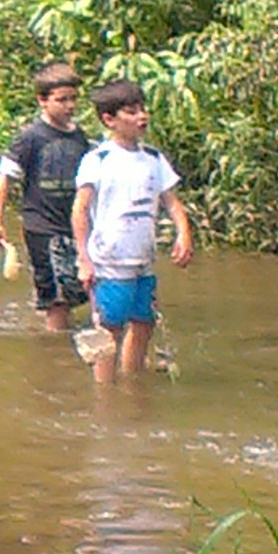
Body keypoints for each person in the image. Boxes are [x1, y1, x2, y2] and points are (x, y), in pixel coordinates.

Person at [71, 79, 194, 385]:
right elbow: (80, 210)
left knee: (144, 324)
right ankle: (105, 396)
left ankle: (132, 385)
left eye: (142, 109)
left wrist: (184, 234)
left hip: (143, 260)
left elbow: (172, 203)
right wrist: (83, 259)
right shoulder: (97, 160)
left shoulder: (153, 158)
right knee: (108, 330)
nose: (142, 116)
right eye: (131, 111)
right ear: (109, 119)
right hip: (110, 261)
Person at [0, 62, 89, 333]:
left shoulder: (79, 136)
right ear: (42, 101)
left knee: (77, 290)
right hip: (41, 226)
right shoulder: (31, 137)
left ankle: (58, 335)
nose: (70, 106)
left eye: (73, 99)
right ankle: (54, 351)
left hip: (73, 223)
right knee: (56, 298)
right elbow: (5, 178)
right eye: (62, 100)